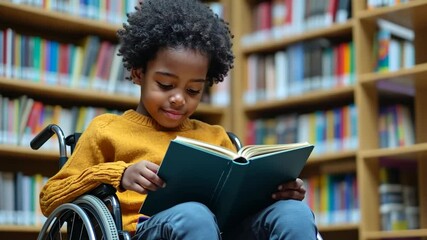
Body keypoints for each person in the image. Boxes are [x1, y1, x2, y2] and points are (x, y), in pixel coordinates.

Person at [39, 0, 318, 239]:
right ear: (138, 74)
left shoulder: (215, 136)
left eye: (193, 90)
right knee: (194, 216)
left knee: (293, 213)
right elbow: (50, 198)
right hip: (147, 230)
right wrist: (118, 174)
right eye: (165, 85)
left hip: (223, 230)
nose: (179, 98)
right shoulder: (108, 130)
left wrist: (277, 191)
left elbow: (238, 202)